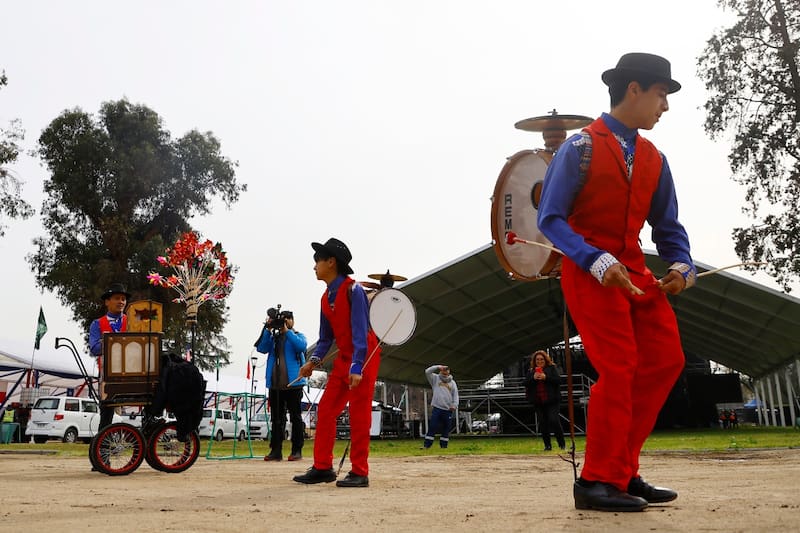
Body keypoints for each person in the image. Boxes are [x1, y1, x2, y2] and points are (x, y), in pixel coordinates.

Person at [538, 53, 695, 512]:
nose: (665, 105)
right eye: (661, 94)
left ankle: (621, 471)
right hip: (590, 273)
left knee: (666, 360)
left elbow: (668, 226)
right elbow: (550, 219)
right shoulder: (579, 148)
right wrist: (594, 258)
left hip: (638, 274)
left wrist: (682, 265)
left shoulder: (655, 159)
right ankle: (594, 481)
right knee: (620, 366)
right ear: (634, 89)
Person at [293, 238, 380, 488]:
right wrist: (312, 362)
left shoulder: (354, 291)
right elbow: (325, 338)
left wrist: (357, 366)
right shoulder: (325, 298)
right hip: (343, 357)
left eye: (317, 261)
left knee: (359, 414)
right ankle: (322, 467)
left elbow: (361, 331)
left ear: (331, 262)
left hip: (364, 355)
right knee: (326, 410)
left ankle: (360, 471)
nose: (314, 267)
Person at [256, 309, 308, 461]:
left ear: (292, 321)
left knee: (295, 417)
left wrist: (287, 332)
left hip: (294, 384)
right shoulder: (274, 338)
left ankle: (296, 450)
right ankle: (276, 450)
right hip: (275, 384)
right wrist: (267, 329)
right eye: (283, 320)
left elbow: (301, 347)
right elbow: (261, 348)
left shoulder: (298, 335)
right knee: (276, 418)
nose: (285, 323)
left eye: (287, 319)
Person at [89, 282, 130, 429]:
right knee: (106, 416)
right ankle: (103, 441)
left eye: (123, 299)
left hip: (131, 374)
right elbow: (94, 348)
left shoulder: (132, 321)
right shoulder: (97, 324)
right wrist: (114, 341)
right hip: (107, 376)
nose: (121, 302)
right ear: (107, 301)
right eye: (117, 298)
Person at [523, 350, 565, 451]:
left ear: (545, 360)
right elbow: (525, 383)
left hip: (552, 400)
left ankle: (561, 444)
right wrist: (533, 378)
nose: (539, 361)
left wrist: (546, 377)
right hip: (538, 401)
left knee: (554, 420)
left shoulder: (551, 368)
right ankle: (547, 445)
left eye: (541, 359)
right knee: (542, 423)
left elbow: (559, 380)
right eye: (537, 359)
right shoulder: (531, 371)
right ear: (534, 361)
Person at [422, 365, 459, 449]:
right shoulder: (435, 379)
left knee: (446, 428)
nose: (445, 372)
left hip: (448, 409)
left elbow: (455, 395)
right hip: (437, 408)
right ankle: (427, 445)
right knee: (433, 426)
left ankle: (444, 446)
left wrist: (454, 405)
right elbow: (427, 371)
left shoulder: (453, 383)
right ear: (441, 371)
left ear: (449, 372)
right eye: (443, 370)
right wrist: (438, 366)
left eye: (446, 370)